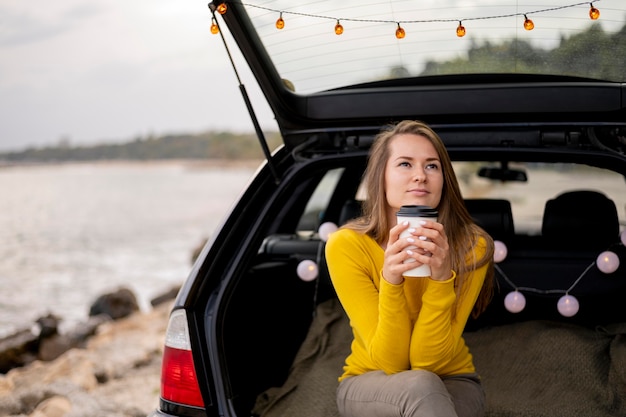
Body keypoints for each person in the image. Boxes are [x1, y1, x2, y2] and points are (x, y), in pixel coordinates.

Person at [325, 120, 495, 417]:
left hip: (452, 377)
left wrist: (442, 279)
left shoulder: (472, 246)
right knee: (420, 387)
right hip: (369, 380)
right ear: (382, 177)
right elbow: (392, 364)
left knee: (425, 385)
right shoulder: (346, 245)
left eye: (432, 166)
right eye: (405, 164)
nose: (420, 176)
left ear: (444, 179)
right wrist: (391, 281)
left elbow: (427, 363)